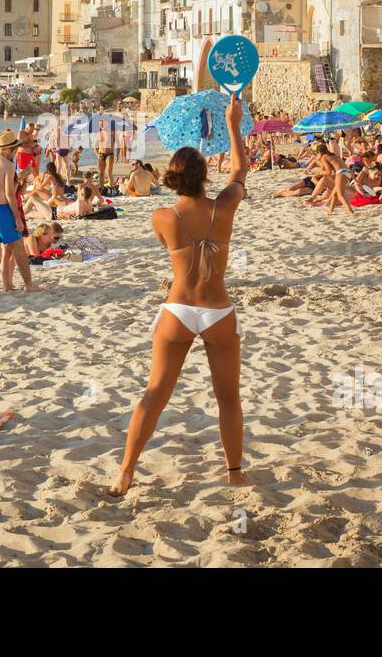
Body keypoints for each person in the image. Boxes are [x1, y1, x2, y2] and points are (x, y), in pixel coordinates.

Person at [110, 95, 250, 497]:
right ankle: (234, 472)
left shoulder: (163, 217)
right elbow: (240, 171)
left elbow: (166, 245)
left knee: (154, 394)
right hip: (218, 310)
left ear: (173, 177)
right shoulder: (223, 207)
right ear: (205, 175)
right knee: (228, 397)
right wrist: (233, 124)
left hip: (179, 308)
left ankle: (126, 471)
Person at [0, 129, 42, 297]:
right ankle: (28, 285)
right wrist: (17, 218)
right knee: (18, 246)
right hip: (3, 209)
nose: (15, 153)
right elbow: (9, 194)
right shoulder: (6, 164)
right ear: (7, 149)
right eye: (14, 150)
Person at [95, 121, 115, 189]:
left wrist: (118, 155)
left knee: (109, 172)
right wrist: (97, 154)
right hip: (101, 154)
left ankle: (112, 187)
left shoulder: (112, 133)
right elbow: (95, 146)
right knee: (101, 173)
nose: (101, 125)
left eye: (102, 124)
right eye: (100, 124)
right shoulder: (98, 134)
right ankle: (101, 188)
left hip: (109, 154)